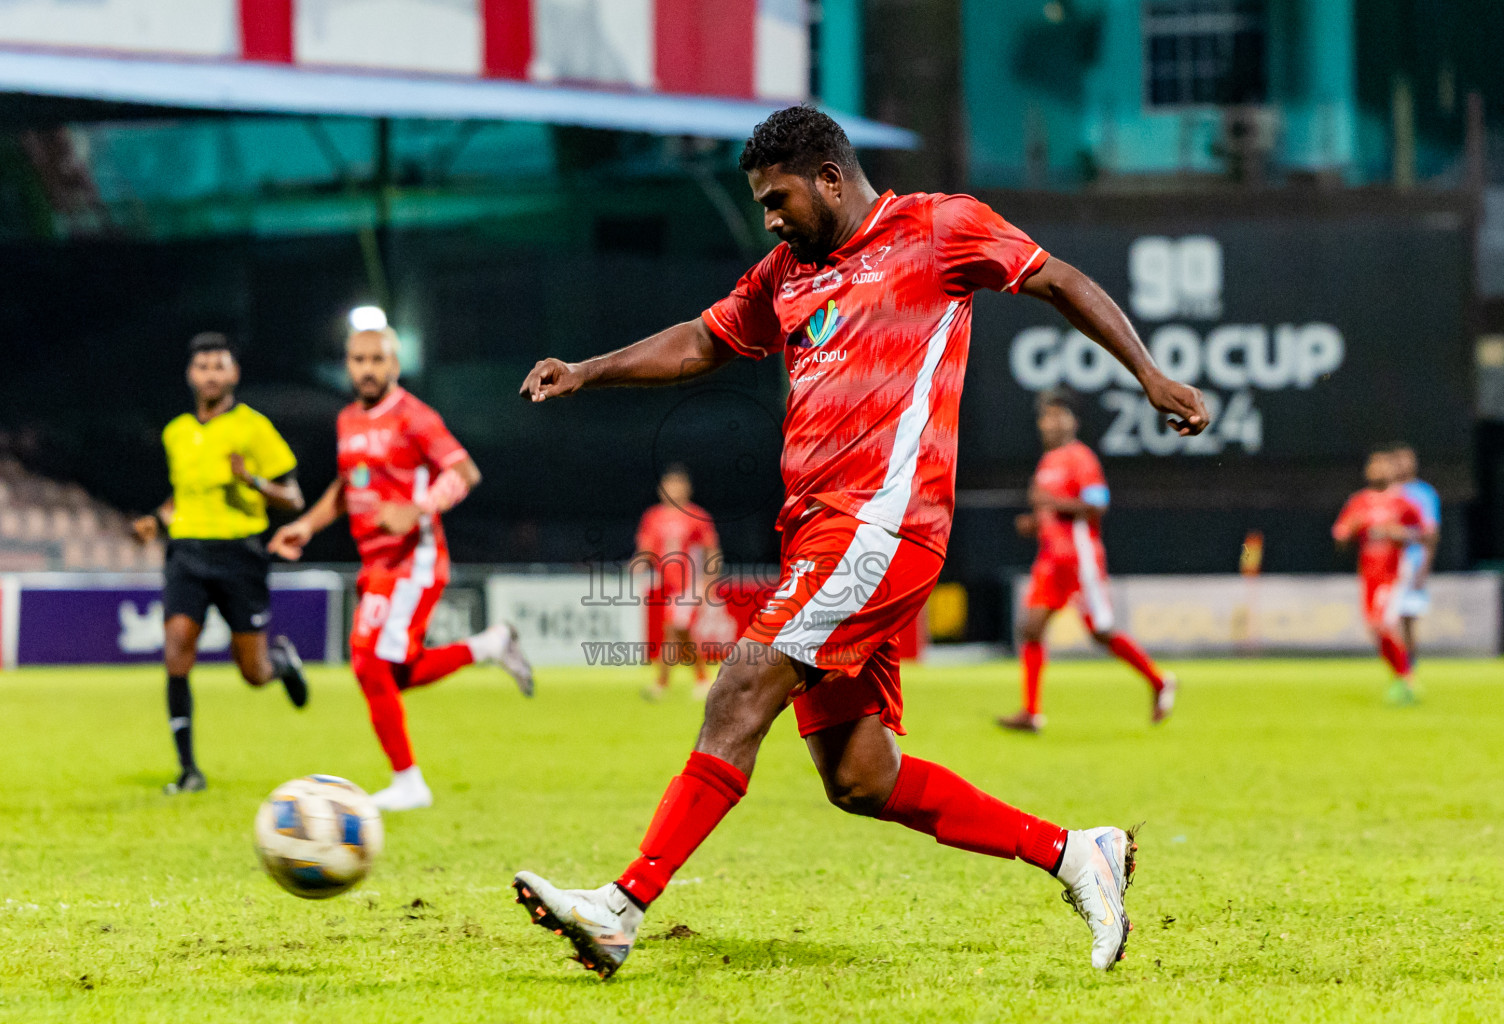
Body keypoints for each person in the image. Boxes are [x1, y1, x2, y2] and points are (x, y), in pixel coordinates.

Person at [510, 105, 1209, 977]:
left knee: (738, 691)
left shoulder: (940, 229)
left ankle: (620, 908)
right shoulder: (785, 272)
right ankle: (1078, 853)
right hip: (820, 531)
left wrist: (1148, 373)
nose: (769, 219)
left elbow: (1057, 278)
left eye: (777, 200)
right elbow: (701, 341)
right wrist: (586, 371)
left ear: (831, 180)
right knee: (859, 777)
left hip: (882, 523)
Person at [269, 324, 534, 811]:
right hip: (377, 561)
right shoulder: (348, 419)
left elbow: (464, 472)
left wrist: (418, 508)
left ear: (394, 364)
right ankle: (489, 645)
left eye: (377, 359)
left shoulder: (413, 416)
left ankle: (408, 782)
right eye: (358, 360)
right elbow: (348, 487)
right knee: (395, 673)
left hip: (415, 558)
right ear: (347, 364)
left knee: (368, 661)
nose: (367, 369)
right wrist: (306, 526)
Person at [131, 332, 310, 795]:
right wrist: (156, 519)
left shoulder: (254, 428)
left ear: (234, 374)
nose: (210, 375)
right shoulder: (176, 431)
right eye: (202, 367)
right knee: (176, 646)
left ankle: (281, 664)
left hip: (239, 553)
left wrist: (250, 480)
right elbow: (185, 496)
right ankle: (188, 770)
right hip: (187, 551)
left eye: (219, 366)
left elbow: (293, 496)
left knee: (252, 674)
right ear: (190, 375)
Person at [998, 388, 1176, 734]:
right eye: (1046, 416)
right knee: (1030, 628)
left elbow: (1097, 505)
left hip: (1079, 558)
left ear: (1072, 421)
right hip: (1051, 559)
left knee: (1100, 632)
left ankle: (1158, 680)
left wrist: (1054, 503)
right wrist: (1034, 523)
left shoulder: (1081, 458)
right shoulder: (1048, 461)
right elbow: (1052, 510)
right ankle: (1031, 713)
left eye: (1057, 415)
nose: (1050, 423)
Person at [1332, 448, 1435, 705]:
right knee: (1374, 628)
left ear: (1391, 472)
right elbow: (1340, 536)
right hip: (1369, 574)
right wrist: (1351, 530)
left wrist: (1400, 534)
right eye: (1373, 465)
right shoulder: (1360, 501)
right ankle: (1402, 678)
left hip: (1394, 572)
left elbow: (1426, 534)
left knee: (1382, 623)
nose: (1377, 470)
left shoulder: (1403, 502)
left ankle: (1407, 677)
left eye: (1382, 466)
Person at [635, 464, 722, 701]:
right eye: (669, 486)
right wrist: (639, 564)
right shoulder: (653, 517)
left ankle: (661, 684)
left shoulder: (698, 516)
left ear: (687, 489)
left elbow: (711, 551)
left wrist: (708, 583)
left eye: (678, 485)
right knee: (680, 633)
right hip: (668, 585)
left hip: (690, 583)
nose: (673, 490)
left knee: (673, 630)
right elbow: (646, 548)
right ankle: (702, 678)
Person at [1386, 443, 1440, 662]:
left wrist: (1424, 567)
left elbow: (1430, 534)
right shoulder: (1388, 493)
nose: (1403, 465)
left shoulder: (1423, 493)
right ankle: (1399, 666)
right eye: (1398, 461)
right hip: (1386, 564)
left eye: (1407, 460)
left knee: (1407, 617)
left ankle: (1409, 667)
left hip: (1412, 562)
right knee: (1387, 619)